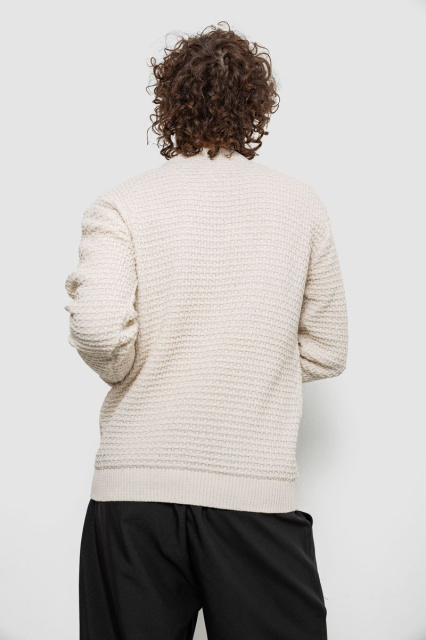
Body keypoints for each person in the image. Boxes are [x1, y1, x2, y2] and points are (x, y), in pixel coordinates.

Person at [65, 21, 348, 640]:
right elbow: (328, 347)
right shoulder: (300, 205)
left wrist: (138, 366)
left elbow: (97, 328)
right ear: (257, 106)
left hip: (133, 495)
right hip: (253, 493)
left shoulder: (122, 203)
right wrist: (247, 359)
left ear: (169, 103)